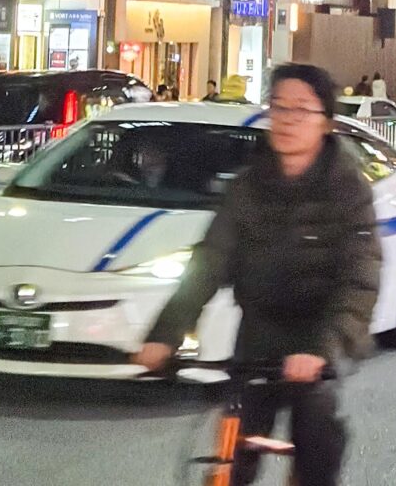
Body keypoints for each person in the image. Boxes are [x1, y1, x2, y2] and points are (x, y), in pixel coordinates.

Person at [135, 63, 381, 486]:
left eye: (302, 109)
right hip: (259, 336)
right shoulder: (248, 186)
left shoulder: (347, 190)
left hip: (319, 337)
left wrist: (322, 349)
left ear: (325, 123)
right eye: (279, 107)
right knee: (235, 449)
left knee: (316, 435)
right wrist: (165, 334)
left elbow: (359, 277)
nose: (287, 119)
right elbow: (210, 261)